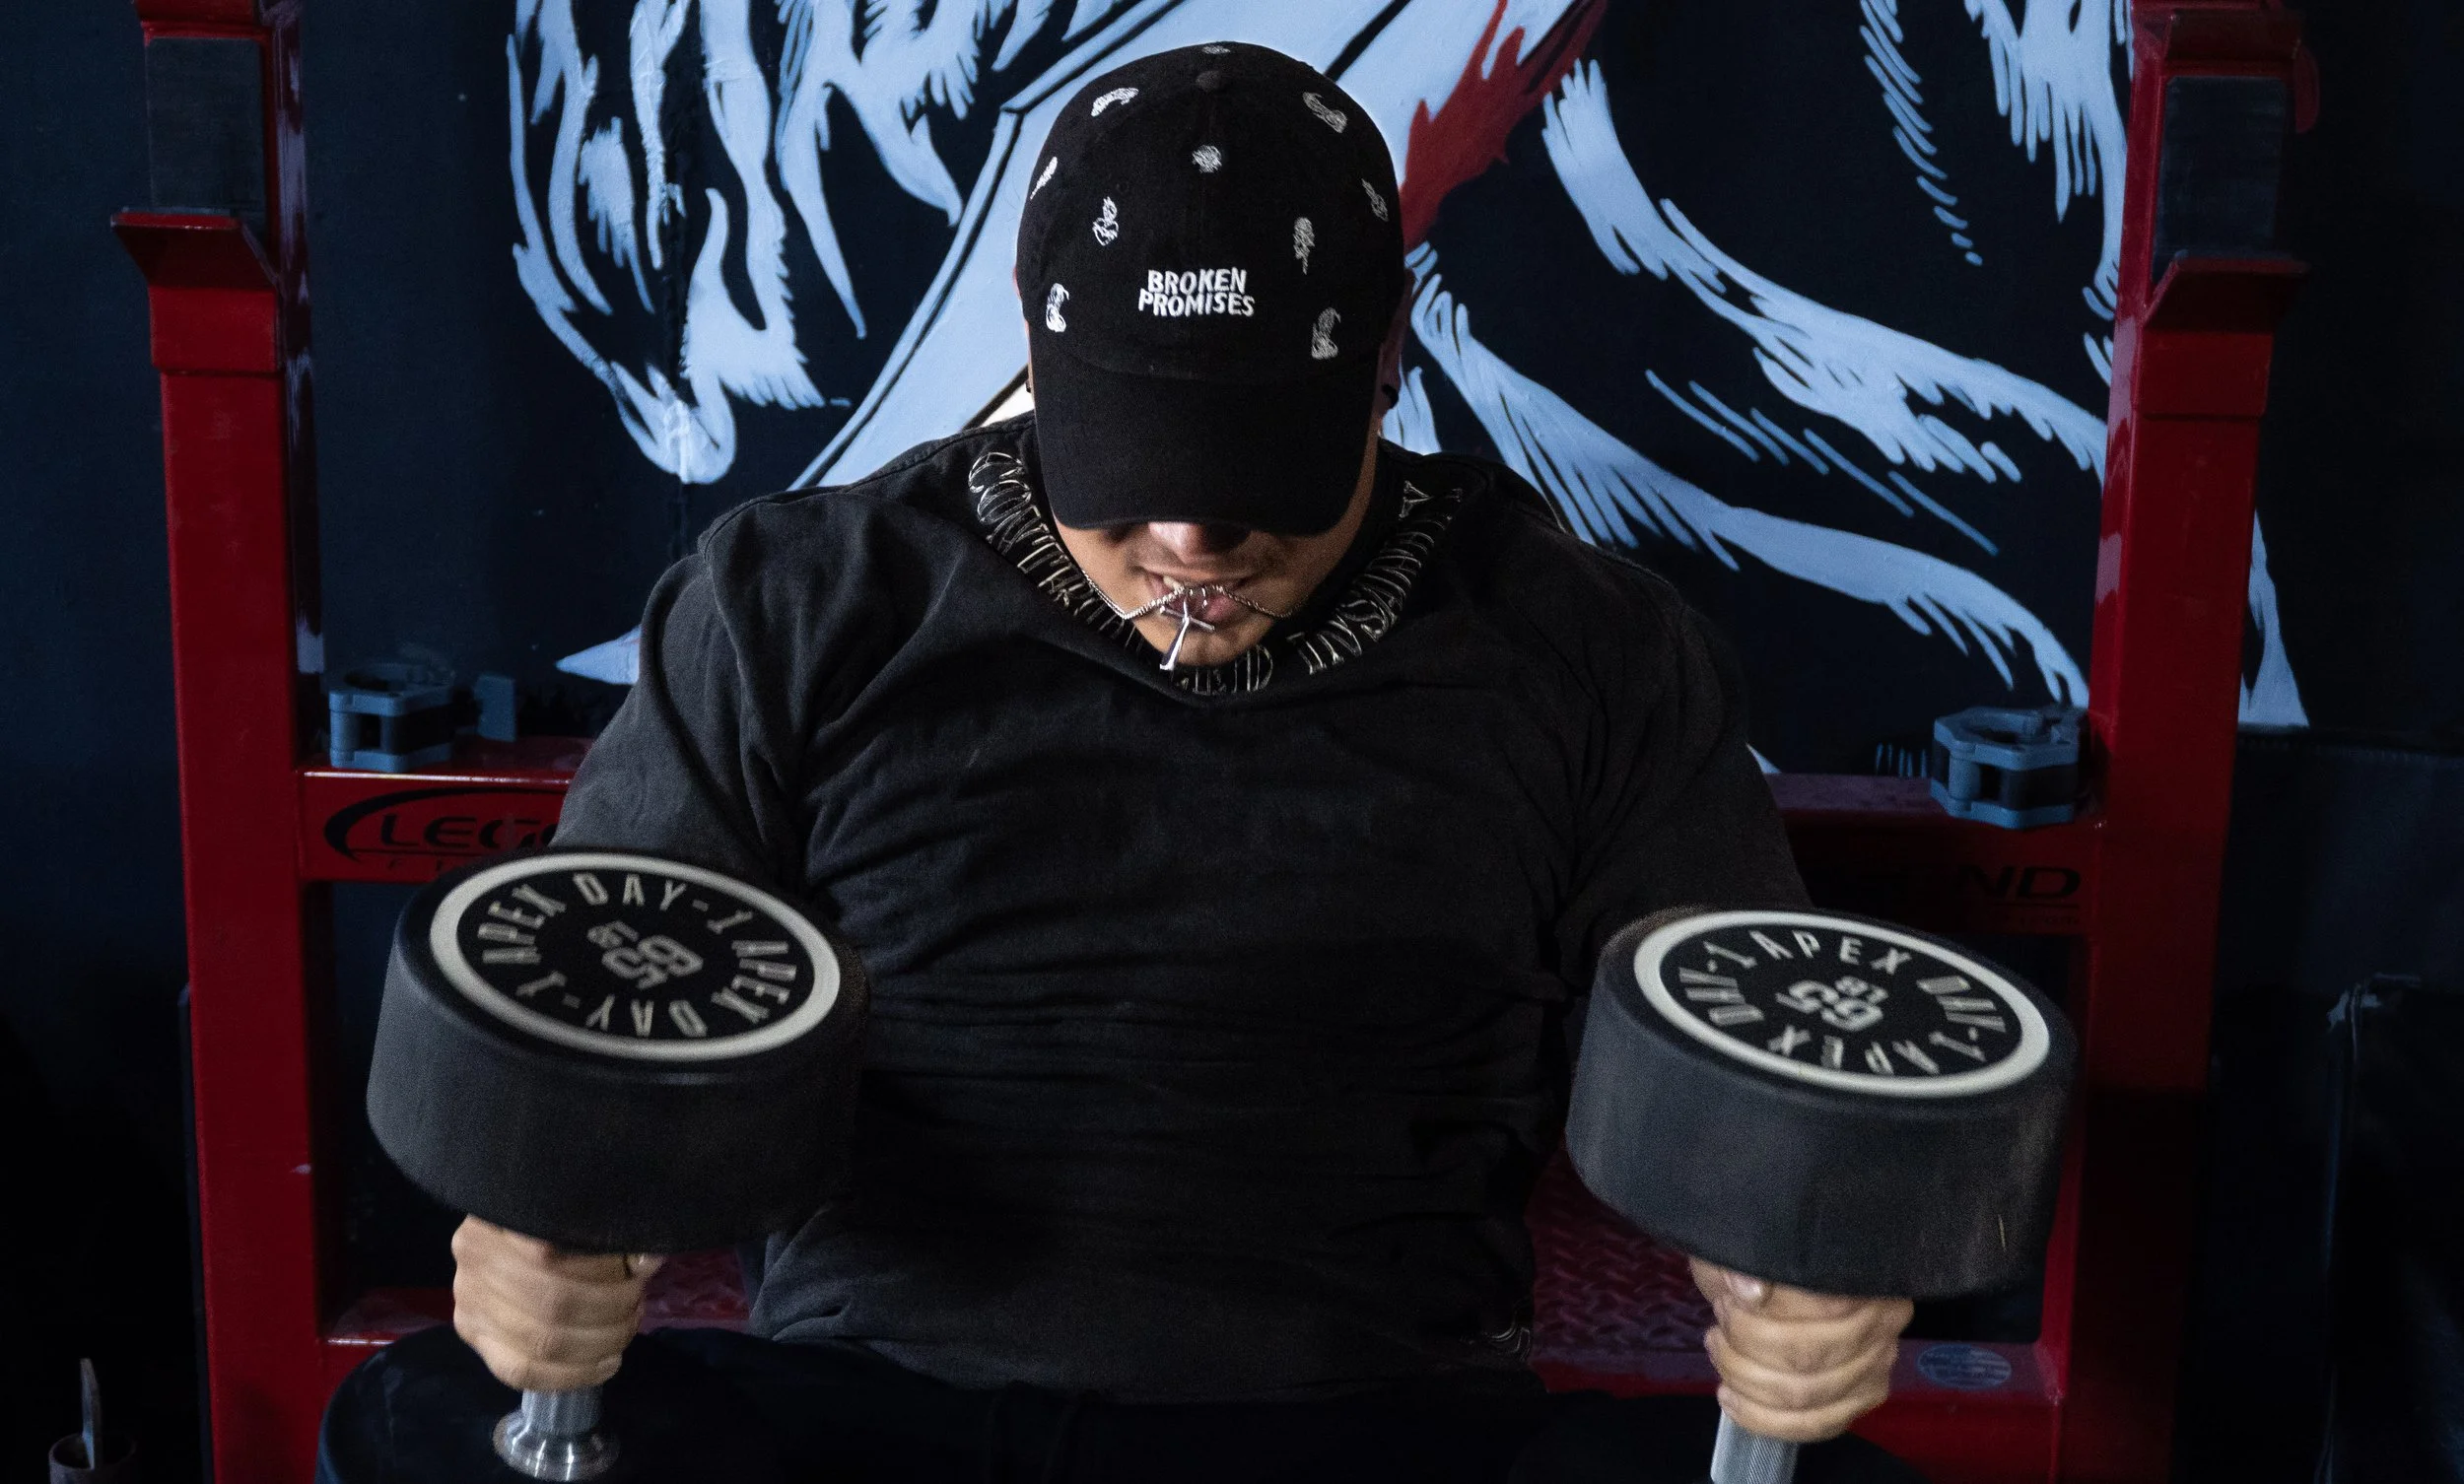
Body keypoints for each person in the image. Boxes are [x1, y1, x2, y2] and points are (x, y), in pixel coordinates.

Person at [325, 42, 1922, 1484]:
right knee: (418, 1429)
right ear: (1038, 353)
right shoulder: (801, 602)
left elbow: (1745, 1068)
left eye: (1254, 491)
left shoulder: (1586, 645)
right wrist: (540, 1225)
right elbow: (604, 997)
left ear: (1381, 364)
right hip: (881, 1406)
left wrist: (1789, 1265)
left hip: (1378, 1421)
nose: (1187, 542)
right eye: (1133, 477)